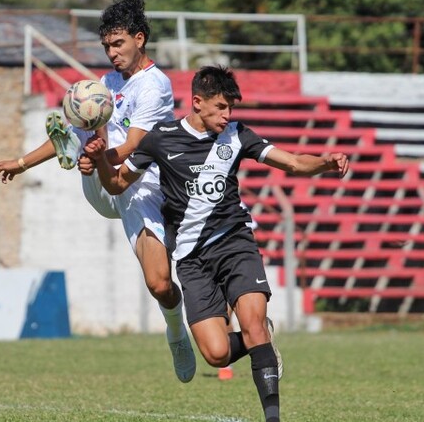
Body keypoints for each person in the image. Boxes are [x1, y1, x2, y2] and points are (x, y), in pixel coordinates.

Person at [84, 65, 349, 422]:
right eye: (221, 107)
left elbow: (294, 163)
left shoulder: (237, 135)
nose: (228, 115)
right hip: (192, 258)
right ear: (197, 102)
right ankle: (262, 341)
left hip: (235, 244)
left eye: (231, 108)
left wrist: (325, 163)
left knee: (252, 324)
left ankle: (273, 415)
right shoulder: (160, 138)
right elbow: (116, 184)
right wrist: (100, 158)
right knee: (216, 353)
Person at [0, 0, 196, 383]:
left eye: (118, 44)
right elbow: (65, 137)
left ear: (140, 39)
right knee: (82, 128)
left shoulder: (155, 86)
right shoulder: (105, 83)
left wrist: (100, 154)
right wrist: (19, 164)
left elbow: (132, 147)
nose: (111, 53)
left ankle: (175, 331)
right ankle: (87, 160)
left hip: (143, 183)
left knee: (160, 283)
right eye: (106, 46)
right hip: (105, 183)